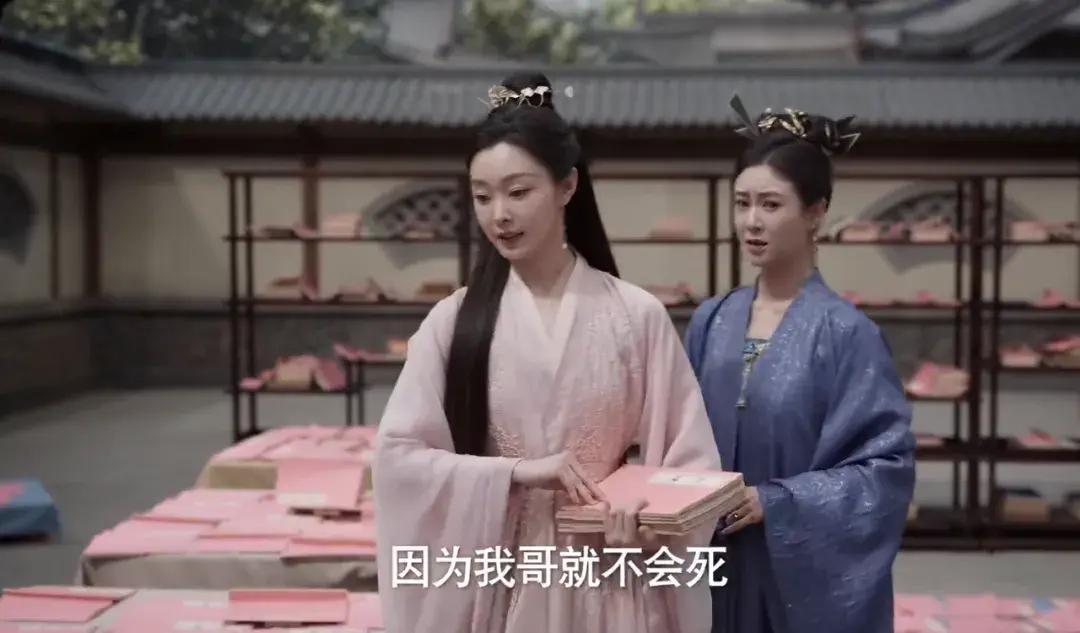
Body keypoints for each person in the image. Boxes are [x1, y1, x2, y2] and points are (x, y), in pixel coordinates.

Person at [372, 72, 722, 633]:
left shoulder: (636, 315)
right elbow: (398, 460)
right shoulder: (455, 321)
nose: (499, 214)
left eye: (518, 192)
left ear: (566, 187)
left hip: (610, 577)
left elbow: (691, 464)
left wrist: (646, 520)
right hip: (501, 583)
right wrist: (515, 472)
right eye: (483, 196)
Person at [684, 97, 916, 633]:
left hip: (793, 568)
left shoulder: (847, 333)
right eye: (742, 203)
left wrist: (778, 501)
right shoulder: (712, 320)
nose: (751, 221)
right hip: (711, 559)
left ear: (816, 212)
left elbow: (885, 471)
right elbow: (677, 434)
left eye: (771, 204)